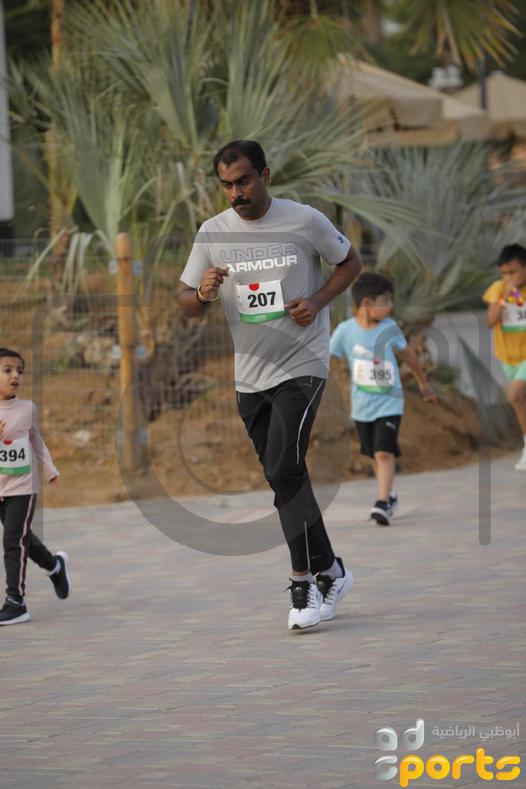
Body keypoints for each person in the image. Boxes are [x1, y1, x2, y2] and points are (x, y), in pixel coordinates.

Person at [179, 139, 363, 630]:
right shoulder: (213, 232)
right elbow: (186, 301)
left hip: (302, 364)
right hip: (250, 375)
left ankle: (303, 584)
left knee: (284, 467)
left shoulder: (304, 220)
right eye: (226, 185)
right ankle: (332, 570)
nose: (235, 192)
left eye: (243, 181)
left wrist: (318, 301)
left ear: (264, 175)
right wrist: (203, 293)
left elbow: (351, 263)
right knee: (285, 477)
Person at [330, 272, 436, 526]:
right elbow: (328, 357)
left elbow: (409, 356)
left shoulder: (389, 328)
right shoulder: (345, 331)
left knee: (383, 452)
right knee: (373, 455)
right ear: (367, 303)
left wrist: (423, 383)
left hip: (390, 403)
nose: (391, 306)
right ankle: (389, 496)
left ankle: (381, 503)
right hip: (362, 406)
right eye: (386, 301)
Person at [0, 348, 70, 625]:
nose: (15, 376)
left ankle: (15, 602)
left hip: (22, 486)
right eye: (7, 370)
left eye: (19, 371)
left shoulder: (27, 408)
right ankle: (55, 566)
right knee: (22, 538)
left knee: (13, 541)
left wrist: (51, 470)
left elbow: (36, 440)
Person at [483, 244, 526, 472]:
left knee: (514, 393)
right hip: (508, 355)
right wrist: (504, 299)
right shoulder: (498, 289)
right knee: (519, 400)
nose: (508, 278)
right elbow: (490, 322)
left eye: (513, 272)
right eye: (504, 273)